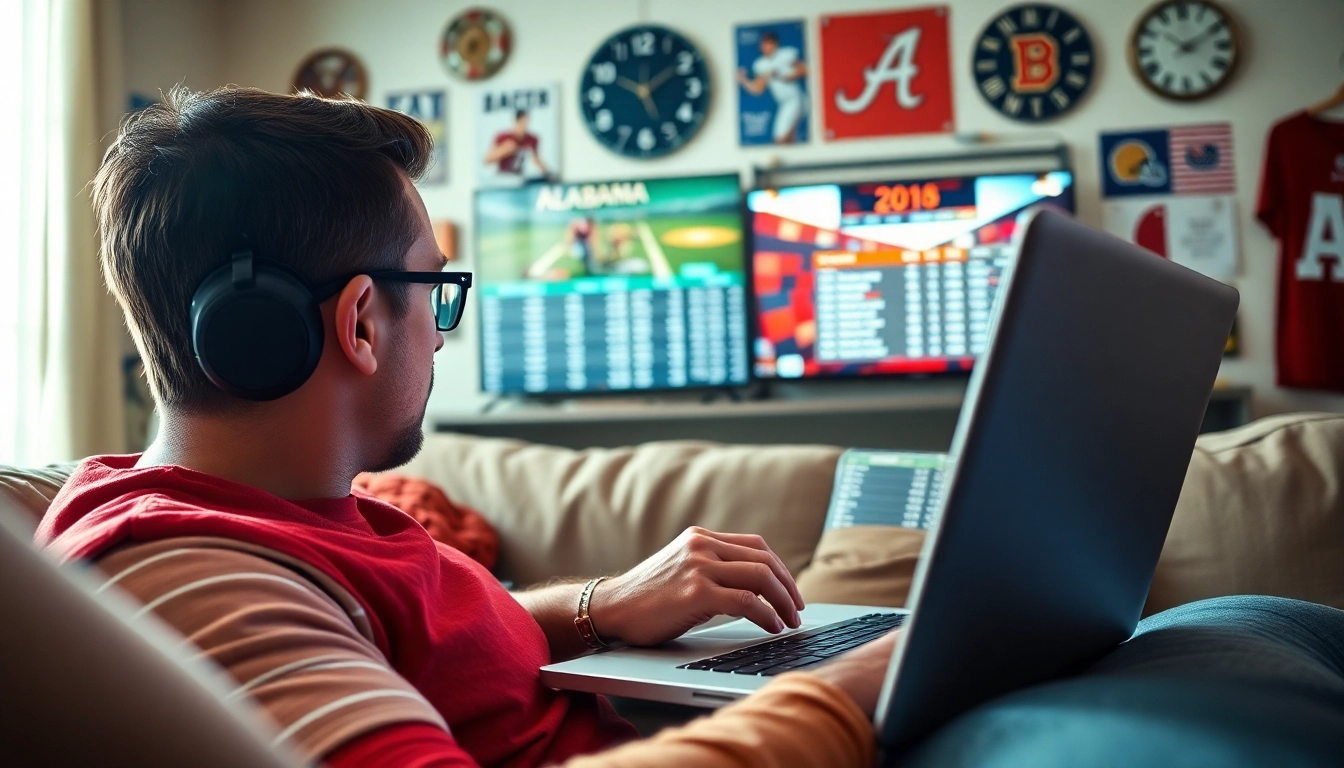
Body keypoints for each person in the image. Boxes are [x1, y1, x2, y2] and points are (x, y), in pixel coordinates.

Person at [36, 86, 897, 767]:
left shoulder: (281, 516)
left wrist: (595, 608)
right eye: (436, 289)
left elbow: (418, 639)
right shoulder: (193, 576)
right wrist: (853, 687)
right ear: (363, 323)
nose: (442, 331)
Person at [736, 32, 807, 144]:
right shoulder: (761, 64)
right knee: (789, 139)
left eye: (768, 44)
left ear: (775, 44)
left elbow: (804, 70)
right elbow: (758, 89)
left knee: (781, 138)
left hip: (795, 99)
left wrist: (782, 76)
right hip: (784, 102)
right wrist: (743, 80)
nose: (765, 47)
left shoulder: (785, 54)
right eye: (763, 44)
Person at [483, 108, 550, 180]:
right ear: (516, 122)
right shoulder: (502, 137)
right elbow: (487, 160)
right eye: (521, 123)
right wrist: (504, 150)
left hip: (519, 178)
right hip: (502, 178)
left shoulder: (532, 139)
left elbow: (536, 159)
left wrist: (548, 173)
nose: (524, 126)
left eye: (526, 123)